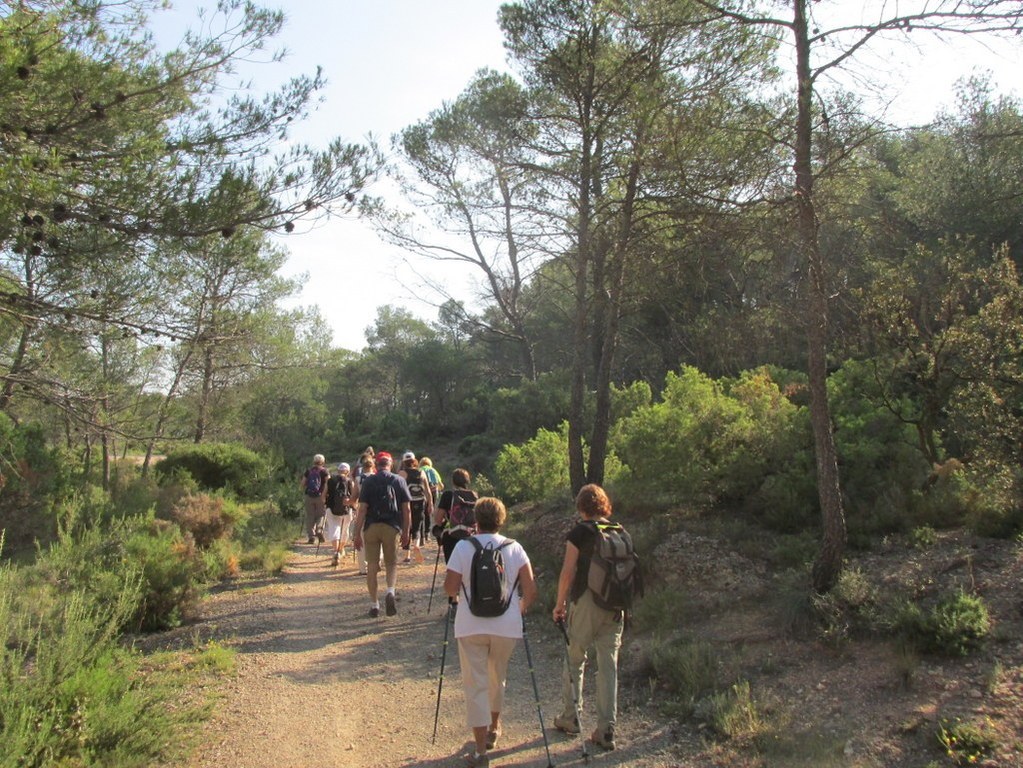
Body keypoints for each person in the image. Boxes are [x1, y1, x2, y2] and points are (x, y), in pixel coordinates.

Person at [443, 497, 537, 768]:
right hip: (506, 625)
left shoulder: (463, 546)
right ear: (502, 519)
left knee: (476, 684)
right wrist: (518, 609)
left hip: (470, 624)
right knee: (498, 677)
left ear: (476, 520)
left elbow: (450, 588)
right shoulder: (515, 548)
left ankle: (480, 751)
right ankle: (495, 728)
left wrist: (461, 595)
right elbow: (531, 591)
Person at [552, 484, 623, 752]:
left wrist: (559, 604)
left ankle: (571, 717)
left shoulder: (580, 532)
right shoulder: (617, 529)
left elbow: (568, 572)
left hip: (587, 603)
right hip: (616, 607)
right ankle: (607, 729)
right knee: (608, 666)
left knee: (575, 658)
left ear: (581, 507)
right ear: (604, 505)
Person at [352, 451, 412, 618]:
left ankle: (374, 604)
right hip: (391, 527)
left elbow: (362, 509)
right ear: (390, 464)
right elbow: (406, 509)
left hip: (371, 527)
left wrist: (356, 533)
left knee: (371, 565)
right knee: (391, 563)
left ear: (377, 465)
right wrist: (406, 531)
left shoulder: (369, 481)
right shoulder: (399, 480)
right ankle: (390, 591)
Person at [433, 468, 478, 564]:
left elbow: (438, 520)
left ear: (453, 481)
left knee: (452, 567)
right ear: (468, 481)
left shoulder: (448, 495)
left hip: (451, 536)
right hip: (470, 537)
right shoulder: (474, 496)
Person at [398, 451, 433, 564]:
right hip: (420, 502)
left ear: (404, 462)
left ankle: (407, 555)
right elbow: (427, 490)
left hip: (406, 503)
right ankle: (416, 545)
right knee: (417, 526)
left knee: (407, 526)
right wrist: (430, 504)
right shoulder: (421, 472)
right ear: (414, 461)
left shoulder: (402, 473)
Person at [325, 463, 356, 567]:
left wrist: (324, 504)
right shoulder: (349, 481)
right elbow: (353, 498)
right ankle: (340, 550)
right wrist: (355, 508)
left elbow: (324, 494)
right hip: (346, 510)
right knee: (344, 531)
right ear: (348, 471)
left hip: (331, 508)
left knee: (334, 529)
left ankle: (336, 551)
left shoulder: (330, 480)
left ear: (338, 471)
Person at [299, 454, 329, 545]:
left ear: (314, 461)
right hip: (321, 496)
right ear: (323, 462)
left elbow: (302, 484)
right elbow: (329, 482)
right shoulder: (324, 471)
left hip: (309, 496)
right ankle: (319, 530)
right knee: (321, 515)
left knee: (310, 516)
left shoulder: (308, 471)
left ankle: (311, 536)